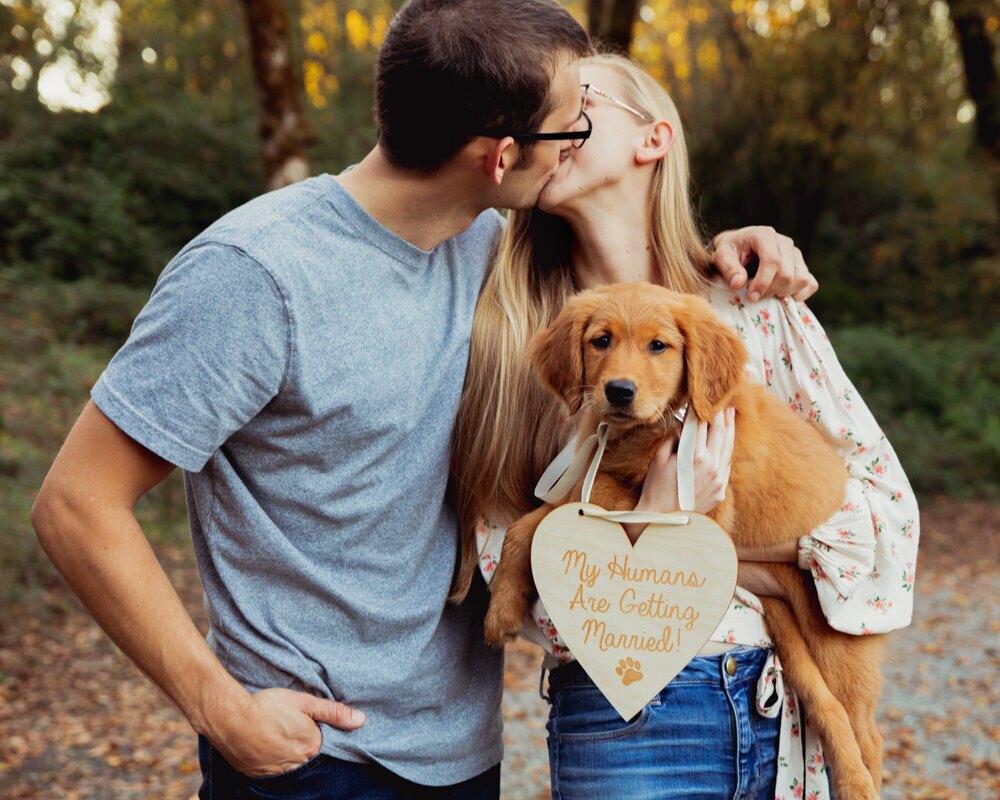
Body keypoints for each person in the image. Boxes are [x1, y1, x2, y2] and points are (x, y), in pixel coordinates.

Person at [31, 0, 813, 795]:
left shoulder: (494, 256)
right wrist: (219, 706)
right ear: (501, 156)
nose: (578, 144)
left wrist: (730, 258)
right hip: (309, 757)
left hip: (460, 753)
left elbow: (629, 297)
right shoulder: (254, 274)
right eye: (570, 127)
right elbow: (75, 504)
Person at [453, 53, 919, 800]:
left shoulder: (758, 308)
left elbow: (886, 521)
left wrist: (714, 542)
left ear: (654, 139)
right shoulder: (513, 338)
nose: (553, 118)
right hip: (628, 716)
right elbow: (506, 573)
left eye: (580, 100)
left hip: (785, 717)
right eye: (536, 110)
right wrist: (658, 518)